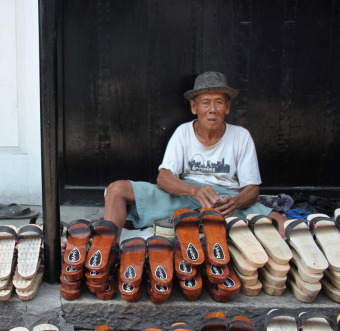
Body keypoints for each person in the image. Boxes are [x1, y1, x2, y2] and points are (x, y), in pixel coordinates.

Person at [103, 71, 287, 238]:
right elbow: (164, 178)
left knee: (284, 225)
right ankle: (106, 251)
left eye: (219, 102)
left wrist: (236, 202)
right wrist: (195, 190)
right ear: (194, 107)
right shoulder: (183, 132)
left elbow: (252, 189)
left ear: (227, 107)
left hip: (224, 202)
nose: (212, 109)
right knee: (116, 190)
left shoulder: (241, 136)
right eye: (206, 102)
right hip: (186, 195)